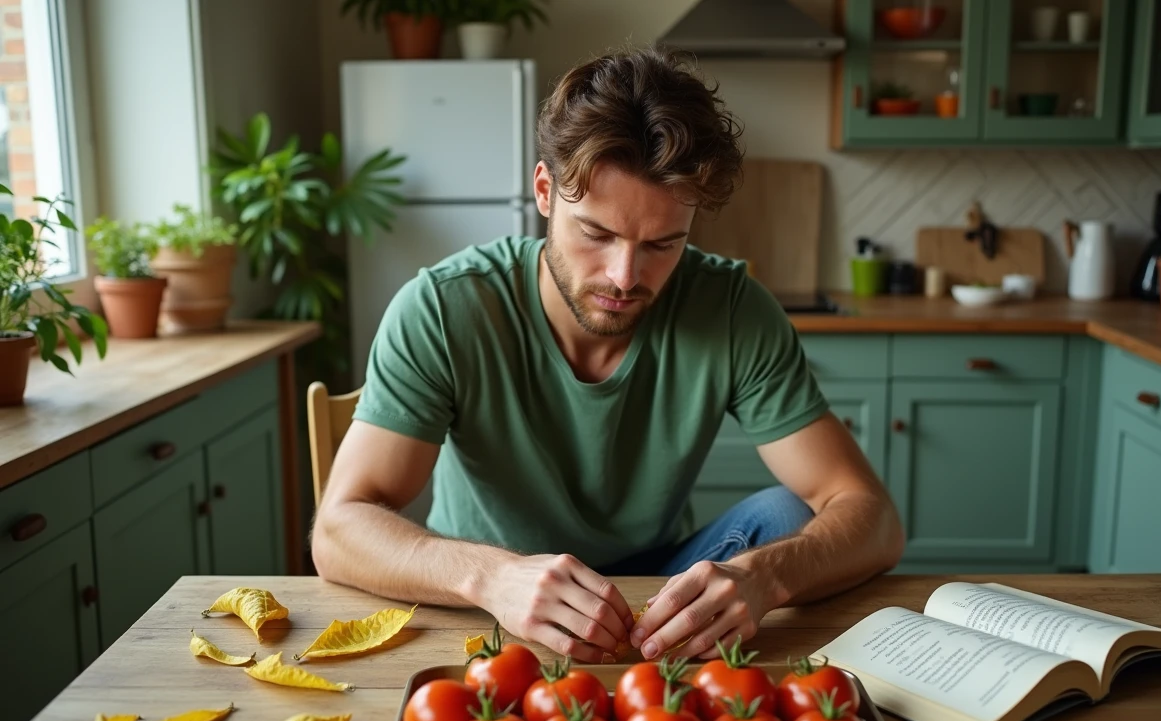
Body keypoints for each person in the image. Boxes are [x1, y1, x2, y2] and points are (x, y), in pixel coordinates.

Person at [311, 46, 904, 665]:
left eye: (662, 244)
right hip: (497, 606)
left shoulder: (732, 309)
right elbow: (338, 530)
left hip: (658, 598)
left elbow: (873, 518)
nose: (625, 277)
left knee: (784, 515)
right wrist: (490, 578)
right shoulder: (443, 307)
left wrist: (765, 579)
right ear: (545, 192)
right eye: (597, 234)